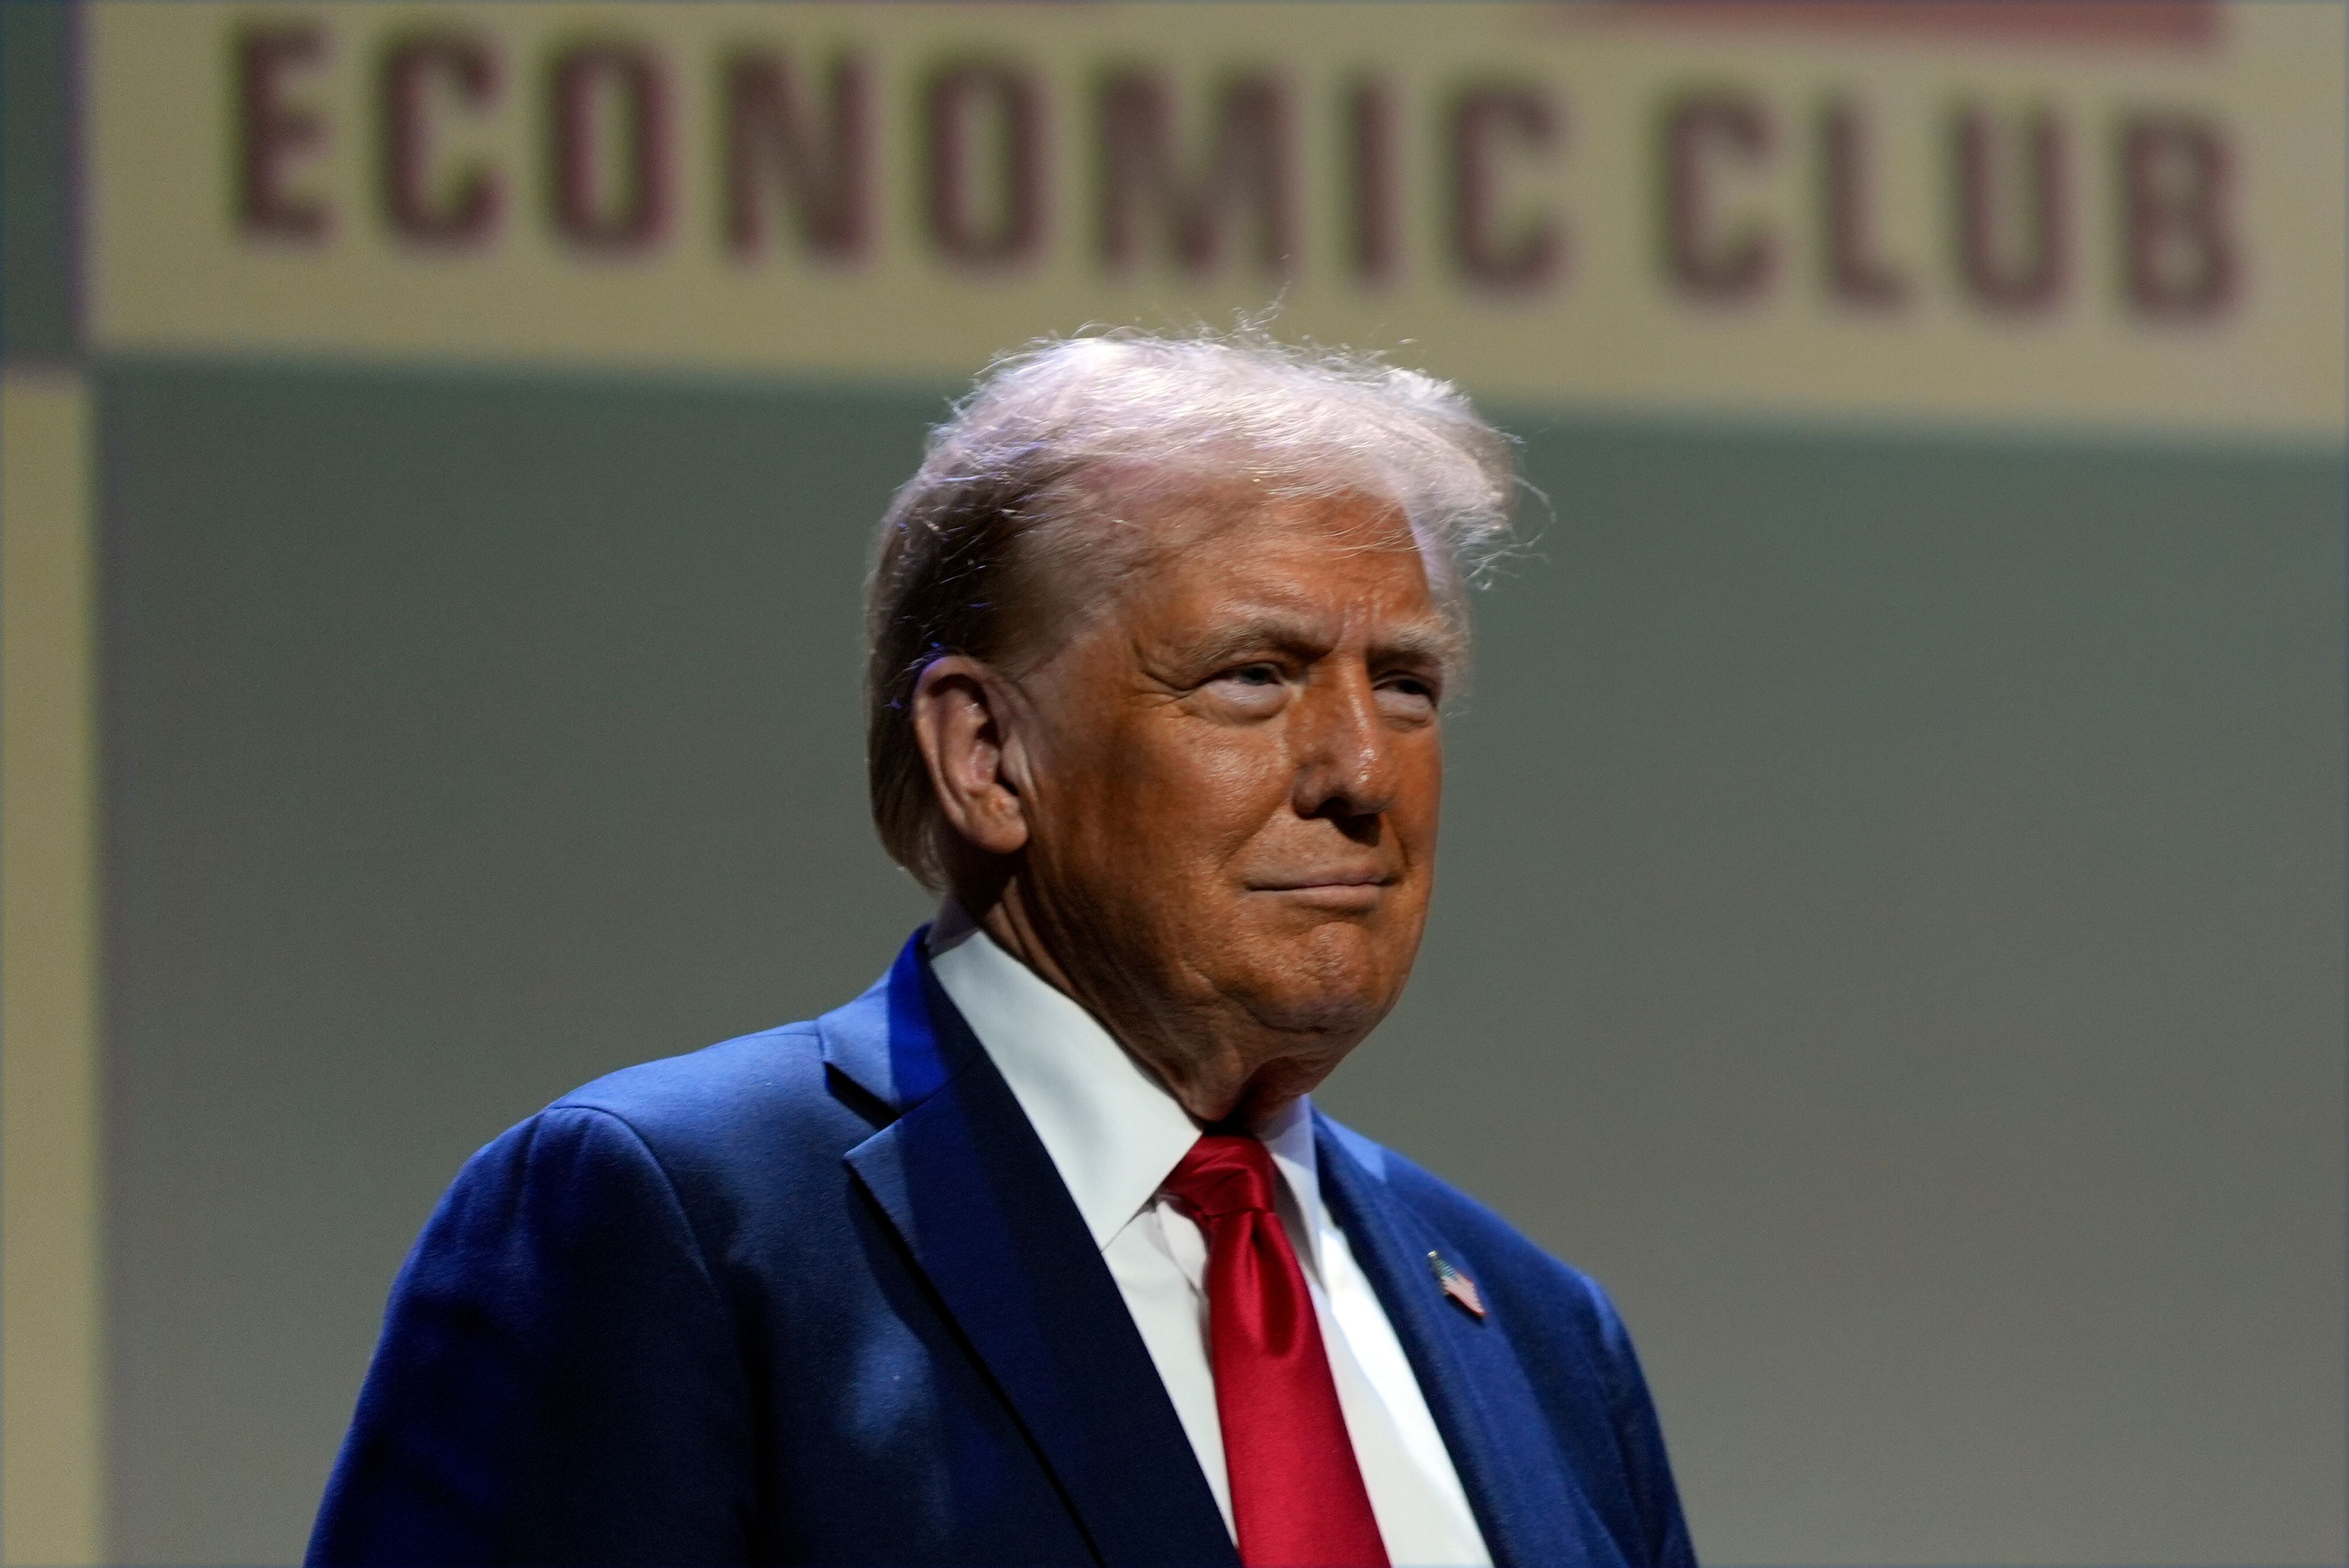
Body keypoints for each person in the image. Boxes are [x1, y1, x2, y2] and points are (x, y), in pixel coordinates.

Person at [308, 331, 1696, 1568]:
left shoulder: (1541, 1334)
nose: (1359, 769)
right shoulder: (676, 1225)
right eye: (1254, 676)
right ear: (988, 755)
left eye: (1406, 685)